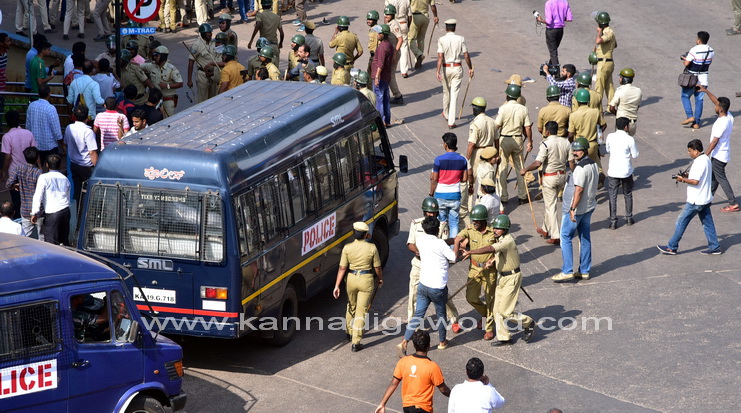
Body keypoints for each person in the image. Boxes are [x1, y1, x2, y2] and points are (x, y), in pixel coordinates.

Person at [398, 216, 456, 354]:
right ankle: (442, 342)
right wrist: (457, 242)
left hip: (423, 285)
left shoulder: (421, 240)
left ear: (424, 229)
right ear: (438, 230)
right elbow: (453, 257)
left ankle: (404, 341)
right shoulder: (440, 244)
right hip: (437, 287)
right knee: (441, 315)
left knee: (418, 314)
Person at [657, 139, 721, 255]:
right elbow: (700, 177)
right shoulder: (706, 159)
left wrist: (682, 179)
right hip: (705, 199)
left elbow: (695, 181)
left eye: (690, 151)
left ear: (696, 151)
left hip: (696, 201)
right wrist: (686, 176)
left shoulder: (698, 163)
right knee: (708, 224)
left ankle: (672, 247)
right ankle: (714, 246)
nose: (689, 153)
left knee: (681, 221)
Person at [406, 198, 460, 331]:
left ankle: (453, 318)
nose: (431, 215)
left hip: (434, 266)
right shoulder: (416, 224)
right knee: (413, 295)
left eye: (434, 213)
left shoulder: (442, 225)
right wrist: (417, 251)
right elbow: (410, 243)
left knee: (442, 294)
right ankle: (413, 326)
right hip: (418, 265)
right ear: (424, 212)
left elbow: (442, 244)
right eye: (429, 212)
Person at [552, 137, 599, 282]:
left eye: (577, 150)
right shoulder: (593, 164)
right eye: (574, 150)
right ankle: (584, 270)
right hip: (588, 207)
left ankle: (567, 270)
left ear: (584, 150)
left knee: (565, 237)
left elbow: (579, 189)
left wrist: (572, 209)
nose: (574, 153)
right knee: (585, 237)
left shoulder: (580, 168)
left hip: (576, 209)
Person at [332, 222, 383, 352]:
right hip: (366, 280)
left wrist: (337, 286)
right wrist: (380, 279)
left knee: (351, 305)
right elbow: (377, 267)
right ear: (366, 234)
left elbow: (342, 268)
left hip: (351, 279)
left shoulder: (347, 248)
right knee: (361, 311)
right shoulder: (372, 248)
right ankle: (356, 342)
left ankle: (349, 332)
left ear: (354, 233)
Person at [375, 330, 450, 413]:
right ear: (428, 346)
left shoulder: (403, 361)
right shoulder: (432, 367)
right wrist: (455, 395)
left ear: (414, 345)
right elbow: (443, 390)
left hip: (407, 408)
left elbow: (393, 383)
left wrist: (382, 404)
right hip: (423, 409)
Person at [521, 121, 570, 244]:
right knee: (550, 203)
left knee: (550, 206)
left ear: (547, 131)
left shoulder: (545, 144)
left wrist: (526, 169)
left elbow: (538, 162)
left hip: (549, 177)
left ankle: (555, 234)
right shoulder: (566, 142)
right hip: (562, 176)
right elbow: (571, 161)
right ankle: (545, 228)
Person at [454, 205, 497, 340]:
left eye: (477, 221)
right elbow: (458, 238)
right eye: (473, 220)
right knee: (471, 297)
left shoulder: (493, 232)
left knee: (490, 299)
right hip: (474, 269)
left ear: (484, 220)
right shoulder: (470, 229)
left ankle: (489, 328)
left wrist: (494, 260)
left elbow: (501, 250)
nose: (474, 223)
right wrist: (456, 251)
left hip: (489, 270)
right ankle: (486, 314)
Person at [697, 86, 738, 212]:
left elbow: (715, 141)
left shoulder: (721, 123)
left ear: (720, 109)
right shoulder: (729, 116)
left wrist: (705, 154)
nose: (714, 106)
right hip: (722, 154)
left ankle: (733, 203)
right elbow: (716, 101)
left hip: (719, 155)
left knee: (720, 178)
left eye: (716, 106)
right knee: (714, 178)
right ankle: (707, 198)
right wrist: (705, 91)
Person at [494, 84, 533, 206]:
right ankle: (522, 196)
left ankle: (503, 196)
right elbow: (527, 127)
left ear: (507, 96)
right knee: (520, 167)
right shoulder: (523, 109)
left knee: (503, 168)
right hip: (518, 139)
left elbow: (497, 125)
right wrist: (530, 141)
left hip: (505, 139)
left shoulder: (503, 108)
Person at [465, 97, 497, 222]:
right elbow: (497, 139)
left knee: (472, 179)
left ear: (475, 108)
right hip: (490, 152)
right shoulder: (492, 121)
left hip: (478, 151)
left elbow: (471, 144)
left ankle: (471, 206)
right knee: (488, 179)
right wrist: (497, 153)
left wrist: (467, 159)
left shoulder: (475, 123)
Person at [436, 19, 473, 129]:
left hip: (445, 68)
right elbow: (466, 55)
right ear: (454, 28)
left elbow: (440, 57)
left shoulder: (441, 39)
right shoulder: (461, 39)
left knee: (446, 92)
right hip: (457, 68)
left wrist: (437, 71)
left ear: (446, 28)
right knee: (454, 95)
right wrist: (470, 68)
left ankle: (446, 112)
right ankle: (451, 121)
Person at [430, 133, 468, 237]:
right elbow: (464, 179)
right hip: (455, 195)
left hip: (441, 195)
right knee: (454, 223)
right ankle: (452, 245)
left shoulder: (438, 160)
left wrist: (431, 193)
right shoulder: (462, 160)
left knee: (441, 222)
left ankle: (441, 241)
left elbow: (434, 179)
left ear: (446, 144)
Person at [605, 117, 639, 229]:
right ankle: (629, 217)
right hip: (626, 171)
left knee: (612, 195)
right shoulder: (630, 139)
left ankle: (613, 221)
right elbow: (635, 155)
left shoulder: (610, 136)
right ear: (626, 127)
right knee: (627, 194)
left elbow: (608, 150)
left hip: (613, 171)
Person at [31, 154, 71, 246]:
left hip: (53, 213)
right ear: (60, 165)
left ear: (47, 165)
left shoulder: (43, 177)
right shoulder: (65, 179)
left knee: (51, 244)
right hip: (65, 211)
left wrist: (34, 212)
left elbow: (38, 195)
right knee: (64, 241)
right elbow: (68, 197)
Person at [64, 104, 99, 204]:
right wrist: (97, 167)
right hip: (86, 166)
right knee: (92, 191)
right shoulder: (88, 132)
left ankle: (77, 210)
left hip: (74, 164)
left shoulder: (69, 128)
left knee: (77, 190)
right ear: (87, 117)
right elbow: (92, 152)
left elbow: (66, 143)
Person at [6, 147, 43, 239]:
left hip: (25, 209)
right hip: (38, 211)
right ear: (37, 158)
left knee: (25, 238)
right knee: (42, 238)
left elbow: (8, 184)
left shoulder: (19, 168)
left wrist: (16, 185)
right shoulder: (39, 173)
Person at [680, 31, 713, 129]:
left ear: (698, 40)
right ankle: (696, 123)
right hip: (703, 79)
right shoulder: (711, 50)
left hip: (691, 79)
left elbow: (686, 64)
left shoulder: (694, 50)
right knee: (699, 100)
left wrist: (684, 59)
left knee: (685, 96)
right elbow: (708, 62)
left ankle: (690, 116)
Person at [569, 89, 606, 172]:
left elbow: (571, 134)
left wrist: (572, 143)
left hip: (579, 147)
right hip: (592, 145)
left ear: (577, 101)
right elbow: (603, 125)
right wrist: (597, 137)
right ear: (588, 101)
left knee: (579, 168)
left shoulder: (573, 115)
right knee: (598, 169)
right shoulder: (595, 112)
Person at [26, 85, 64, 165]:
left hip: (35, 146)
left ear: (38, 94)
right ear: (49, 94)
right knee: (52, 168)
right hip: (50, 146)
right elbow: (56, 131)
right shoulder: (51, 108)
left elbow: (28, 127)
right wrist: (62, 144)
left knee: (36, 169)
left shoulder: (31, 106)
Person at [142, 46, 183, 118]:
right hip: (154, 101)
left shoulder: (171, 69)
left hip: (167, 100)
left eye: (157, 56)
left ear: (163, 56)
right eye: (154, 55)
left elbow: (180, 83)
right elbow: (138, 66)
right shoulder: (151, 66)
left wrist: (167, 86)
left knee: (169, 119)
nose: (154, 57)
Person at [1, 111, 37, 188]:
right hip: (29, 170)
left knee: (15, 194)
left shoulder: (7, 137)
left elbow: (8, 156)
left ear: (7, 122)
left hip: (14, 172)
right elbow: (35, 152)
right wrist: (39, 167)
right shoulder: (28, 133)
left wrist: (4, 171)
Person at [189, 23, 220, 103]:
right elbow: (191, 63)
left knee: (214, 99)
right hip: (202, 75)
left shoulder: (214, 43)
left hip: (213, 74)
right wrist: (189, 80)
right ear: (203, 33)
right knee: (203, 100)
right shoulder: (196, 45)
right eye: (208, 33)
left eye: (211, 32)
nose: (210, 34)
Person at [248, 1, 284, 68]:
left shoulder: (260, 15)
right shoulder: (276, 17)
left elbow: (258, 24)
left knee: (262, 69)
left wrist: (251, 40)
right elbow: (281, 33)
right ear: (271, 5)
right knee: (275, 69)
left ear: (261, 5)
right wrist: (280, 43)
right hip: (274, 46)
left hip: (264, 47)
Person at [536, 0, 573, 66]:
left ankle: (556, 71)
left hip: (551, 30)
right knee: (554, 51)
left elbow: (549, 21)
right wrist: (560, 18)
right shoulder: (565, 2)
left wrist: (540, 20)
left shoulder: (549, 3)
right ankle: (550, 67)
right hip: (560, 30)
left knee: (553, 52)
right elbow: (569, 18)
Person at [594, 11, 617, 113]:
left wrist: (599, 32)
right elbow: (615, 45)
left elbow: (598, 41)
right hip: (608, 61)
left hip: (604, 63)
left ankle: (598, 108)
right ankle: (611, 106)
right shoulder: (610, 32)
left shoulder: (608, 32)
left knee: (599, 86)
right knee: (609, 86)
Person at [372, 24, 395, 126]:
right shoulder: (389, 45)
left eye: (379, 33)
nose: (377, 34)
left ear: (383, 34)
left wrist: (377, 77)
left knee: (379, 99)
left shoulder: (382, 47)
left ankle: (381, 122)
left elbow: (380, 64)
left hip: (381, 77)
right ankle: (387, 121)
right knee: (386, 99)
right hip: (386, 76)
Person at [609, 68, 642, 135]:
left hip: (621, 123)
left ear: (624, 79)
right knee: (630, 140)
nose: (619, 79)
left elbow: (611, 108)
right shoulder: (638, 91)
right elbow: (637, 107)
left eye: (621, 77)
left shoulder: (620, 90)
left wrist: (617, 114)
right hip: (632, 123)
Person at [383, 5, 405, 105]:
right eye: (385, 14)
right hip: (390, 52)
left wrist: (395, 53)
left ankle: (398, 96)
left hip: (393, 53)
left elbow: (400, 39)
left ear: (392, 14)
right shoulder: (389, 23)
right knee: (388, 74)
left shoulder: (394, 25)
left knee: (391, 75)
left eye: (388, 14)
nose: (386, 15)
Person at [386, 0, 413, 77]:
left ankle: (389, 66)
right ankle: (404, 71)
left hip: (392, 24)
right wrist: (408, 27)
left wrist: (386, 26)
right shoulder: (406, 0)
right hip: (403, 23)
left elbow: (386, 14)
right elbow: (410, 16)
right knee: (404, 46)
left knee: (391, 44)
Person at [409, 0, 438, 70]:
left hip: (415, 17)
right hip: (425, 17)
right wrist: (435, 16)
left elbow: (406, 4)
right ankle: (418, 60)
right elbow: (433, 5)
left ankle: (419, 55)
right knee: (421, 38)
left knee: (410, 39)